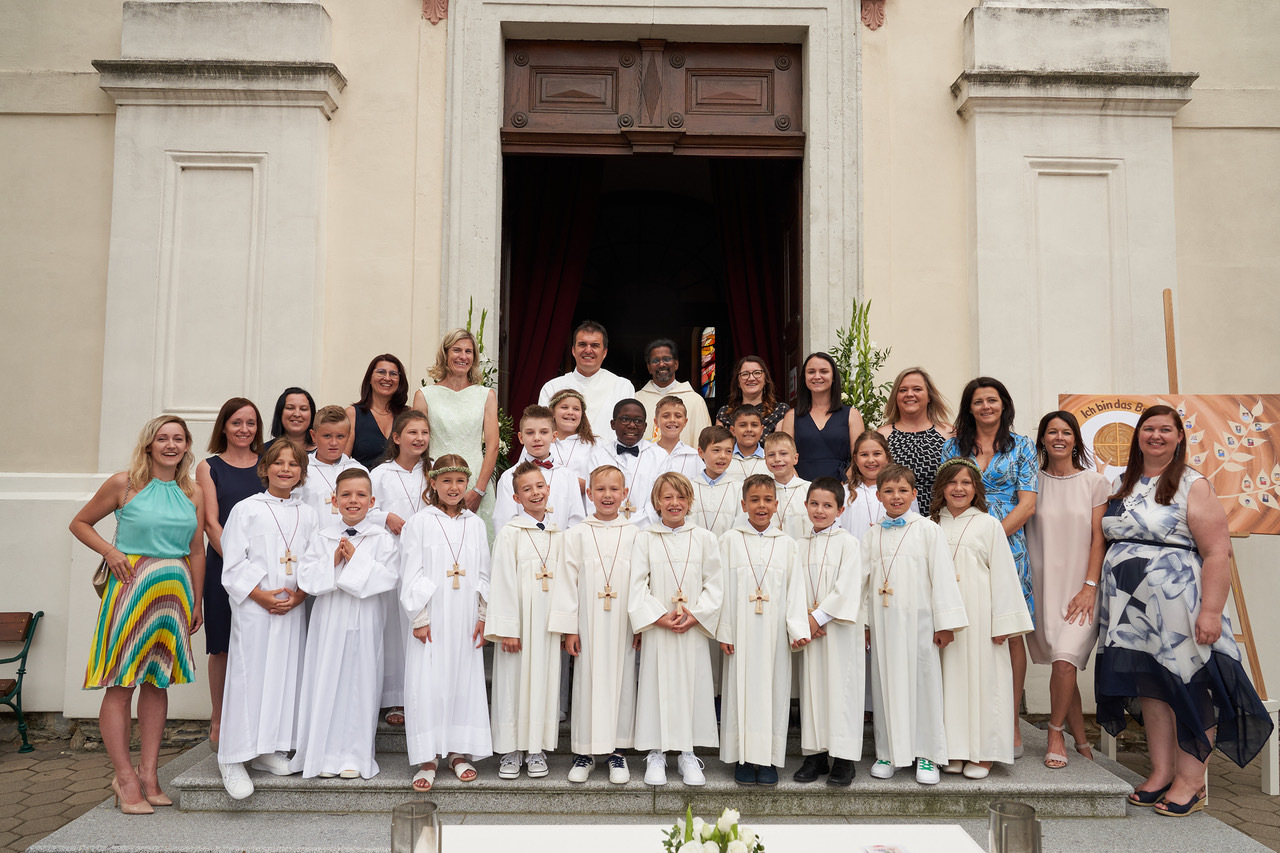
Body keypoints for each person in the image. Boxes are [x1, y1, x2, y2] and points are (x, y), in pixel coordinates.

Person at [1095, 405, 1273, 816]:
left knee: (1189, 683)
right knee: (1151, 687)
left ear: (1179, 437)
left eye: (1165, 429)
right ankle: (1162, 772)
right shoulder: (1121, 483)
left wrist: (1210, 611)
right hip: (1129, 610)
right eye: (1148, 429)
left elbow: (1217, 552)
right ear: (1138, 436)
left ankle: (1192, 781)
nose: (1155, 436)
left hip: (1178, 604)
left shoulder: (1194, 485)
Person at [72, 415, 206, 814]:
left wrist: (197, 600)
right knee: (121, 683)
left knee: (156, 682)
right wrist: (110, 551)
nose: (170, 445)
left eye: (178, 438)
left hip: (174, 591)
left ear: (186, 445)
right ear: (149, 445)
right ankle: (124, 777)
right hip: (130, 589)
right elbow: (80, 523)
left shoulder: (192, 491)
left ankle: (149, 774)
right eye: (162, 438)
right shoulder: (125, 483)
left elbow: (196, 549)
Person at [216, 439, 321, 799]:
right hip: (255, 608)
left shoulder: (308, 513)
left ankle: (267, 749)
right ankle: (231, 758)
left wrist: (301, 594)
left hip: (292, 606)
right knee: (249, 677)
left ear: (302, 473)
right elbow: (233, 563)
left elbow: (313, 559)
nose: (285, 469)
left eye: (293, 464)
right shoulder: (246, 509)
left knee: (283, 676)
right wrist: (260, 595)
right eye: (278, 463)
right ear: (265, 468)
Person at [941, 376, 1038, 757]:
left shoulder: (1022, 446)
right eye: (978, 401)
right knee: (965, 625)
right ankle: (965, 722)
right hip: (960, 543)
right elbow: (949, 492)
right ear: (969, 408)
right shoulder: (954, 446)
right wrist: (970, 536)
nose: (986, 406)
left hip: (1008, 545)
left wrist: (990, 536)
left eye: (992, 400)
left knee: (1008, 629)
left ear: (1004, 405)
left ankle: (1009, 722)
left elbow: (1028, 503)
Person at [861, 465, 967, 785]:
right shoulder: (871, 535)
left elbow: (943, 576)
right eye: (889, 491)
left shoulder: (927, 530)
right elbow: (862, 584)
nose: (896, 497)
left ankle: (927, 755)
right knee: (885, 685)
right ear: (878, 496)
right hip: (883, 623)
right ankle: (888, 752)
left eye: (902, 491)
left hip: (921, 623)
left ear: (914, 494)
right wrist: (865, 624)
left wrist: (945, 623)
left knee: (923, 685)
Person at [290, 469, 398, 780]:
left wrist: (357, 560)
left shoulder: (381, 538)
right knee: (326, 682)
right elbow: (306, 577)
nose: (353, 500)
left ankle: (355, 756)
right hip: (329, 619)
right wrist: (333, 562)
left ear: (372, 501)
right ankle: (323, 755)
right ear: (335, 500)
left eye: (361, 495)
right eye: (346, 495)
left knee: (360, 684)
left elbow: (389, 577)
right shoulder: (323, 536)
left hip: (366, 618)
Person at [932, 458, 1033, 778]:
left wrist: (1003, 623)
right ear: (941, 488)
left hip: (980, 618)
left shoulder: (988, 524)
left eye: (966, 482)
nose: (958, 489)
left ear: (976, 488)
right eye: (952, 482)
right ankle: (955, 749)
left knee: (984, 683)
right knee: (949, 684)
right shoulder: (930, 525)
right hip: (943, 620)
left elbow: (1004, 575)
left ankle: (985, 753)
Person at [400, 455, 492, 791]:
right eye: (446, 481)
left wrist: (483, 615)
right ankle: (428, 757)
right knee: (428, 683)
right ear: (434, 483)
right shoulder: (419, 523)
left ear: (467, 483)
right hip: (433, 615)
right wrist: (419, 616)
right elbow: (410, 571)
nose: (454, 488)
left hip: (465, 615)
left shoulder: (475, 524)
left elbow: (484, 572)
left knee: (462, 681)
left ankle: (457, 751)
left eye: (460, 481)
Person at [1025, 411, 1108, 770]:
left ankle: (1055, 732)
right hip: (1042, 589)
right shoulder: (1030, 481)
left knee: (1064, 659)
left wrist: (1090, 586)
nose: (1059, 437)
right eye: (1051, 432)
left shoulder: (1094, 482)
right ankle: (1083, 742)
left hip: (1081, 588)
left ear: (1075, 439)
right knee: (1065, 667)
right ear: (1042, 439)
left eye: (1066, 432)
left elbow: (1099, 539)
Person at [629, 472, 723, 787]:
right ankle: (656, 753)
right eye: (667, 497)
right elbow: (637, 584)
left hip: (691, 627)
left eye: (681, 497)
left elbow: (715, 584)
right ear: (656, 502)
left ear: (690, 501)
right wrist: (658, 617)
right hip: (659, 627)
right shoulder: (645, 538)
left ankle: (687, 754)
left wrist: (696, 615)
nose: (674, 503)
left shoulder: (705, 538)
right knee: (655, 686)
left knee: (692, 686)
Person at [549, 465, 640, 784]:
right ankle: (584, 753)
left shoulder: (636, 534)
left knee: (623, 682)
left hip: (623, 623)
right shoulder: (576, 534)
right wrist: (569, 628)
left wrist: (640, 624)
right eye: (600, 489)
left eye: (614, 489)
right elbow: (566, 581)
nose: (607, 495)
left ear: (625, 494)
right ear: (588, 493)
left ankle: (618, 752)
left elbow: (642, 581)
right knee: (586, 682)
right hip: (587, 623)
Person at [787, 477, 869, 786]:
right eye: (814, 504)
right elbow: (791, 587)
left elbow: (849, 586)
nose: (820, 511)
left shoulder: (849, 543)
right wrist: (804, 620)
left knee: (841, 691)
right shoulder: (797, 545)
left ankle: (844, 760)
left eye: (827, 505)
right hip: (810, 631)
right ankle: (816, 755)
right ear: (805, 505)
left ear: (840, 509)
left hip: (838, 629)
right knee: (813, 691)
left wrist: (818, 617)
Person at [486, 461, 566, 780]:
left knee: (544, 682)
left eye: (540, 486)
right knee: (512, 683)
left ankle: (536, 749)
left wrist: (563, 623)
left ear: (548, 488)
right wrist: (508, 628)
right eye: (527, 489)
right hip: (517, 625)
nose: (535, 493)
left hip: (546, 624)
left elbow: (567, 582)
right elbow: (502, 581)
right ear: (516, 498)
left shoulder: (560, 534)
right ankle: (510, 750)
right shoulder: (510, 533)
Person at [193, 398, 264, 751]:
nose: (244, 429)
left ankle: (256, 719)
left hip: (266, 568)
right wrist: (239, 563)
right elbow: (210, 522)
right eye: (237, 422)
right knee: (221, 644)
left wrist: (258, 565)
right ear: (224, 426)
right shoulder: (209, 467)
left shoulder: (268, 463)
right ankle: (219, 718)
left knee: (259, 641)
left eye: (250, 423)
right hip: (224, 565)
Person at [717, 474, 796, 787]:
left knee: (774, 691)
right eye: (754, 500)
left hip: (775, 634)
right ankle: (743, 757)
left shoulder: (787, 544)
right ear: (743, 504)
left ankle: (768, 759)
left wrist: (795, 629)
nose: (761, 506)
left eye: (767, 500)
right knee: (740, 691)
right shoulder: (729, 541)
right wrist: (724, 630)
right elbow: (721, 588)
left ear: (776, 505)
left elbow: (795, 590)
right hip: (740, 632)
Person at [412, 329, 500, 541]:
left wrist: (478, 490)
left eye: (468, 351)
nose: (463, 356)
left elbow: (493, 446)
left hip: (476, 481)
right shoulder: (425, 395)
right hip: (435, 480)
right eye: (457, 350)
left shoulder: (485, 395)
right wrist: (432, 483)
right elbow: (418, 446)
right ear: (445, 354)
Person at [494, 405, 586, 533]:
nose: (537, 438)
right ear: (521, 437)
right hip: (523, 543)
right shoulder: (509, 477)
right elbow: (504, 523)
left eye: (543, 432)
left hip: (562, 544)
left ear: (554, 436)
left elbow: (576, 523)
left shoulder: (568, 476)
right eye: (530, 433)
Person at [538, 320, 635, 436]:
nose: (588, 350)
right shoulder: (553, 387)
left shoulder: (622, 386)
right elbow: (543, 430)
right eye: (582, 344)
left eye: (595, 345)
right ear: (573, 350)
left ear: (604, 352)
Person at [781, 352, 866, 483]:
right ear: (804, 377)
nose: (817, 376)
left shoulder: (852, 415)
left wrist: (842, 487)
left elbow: (859, 457)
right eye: (811, 372)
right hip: (800, 488)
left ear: (833, 377)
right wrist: (801, 487)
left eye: (824, 371)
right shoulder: (791, 416)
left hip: (841, 487)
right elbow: (785, 457)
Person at [877, 367, 953, 504]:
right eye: (903, 390)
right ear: (896, 397)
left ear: (929, 396)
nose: (909, 394)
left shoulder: (948, 433)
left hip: (938, 512)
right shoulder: (883, 435)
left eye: (917, 389)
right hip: (897, 511)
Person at [588, 398, 663, 523]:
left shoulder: (660, 457)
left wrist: (631, 526)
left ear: (645, 426)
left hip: (647, 528)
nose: (632, 425)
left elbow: (660, 499)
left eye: (638, 421)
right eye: (625, 419)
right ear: (613, 424)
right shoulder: (598, 456)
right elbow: (592, 499)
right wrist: (611, 524)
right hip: (605, 527)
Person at [634, 338, 712, 445]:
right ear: (649, 368)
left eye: (666, 359)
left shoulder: (695, 401)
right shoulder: (637, 400)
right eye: (655, 360)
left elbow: (704, 443)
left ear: (676, 364)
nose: (661, 364)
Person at [839, 431, 916, 539]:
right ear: (855, 459)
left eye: (877, 454)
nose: (871, 460)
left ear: (887, 457)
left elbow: (914, 526)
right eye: (864, 455)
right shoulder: (843, 493)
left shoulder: (903, 492)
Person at [345, 354, 410, 469]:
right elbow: (342, 461)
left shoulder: (408, 415)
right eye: (381, 372)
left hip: (401, 480)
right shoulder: (352, 414)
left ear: (400, 381)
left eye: (393, 374)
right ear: (370, 378)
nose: (387, 378)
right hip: (364, 480)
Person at [715, 356, 789, 437]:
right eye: (745, 374)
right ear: (738, 382)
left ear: (765, 379)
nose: (751, 378)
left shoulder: (780, 410)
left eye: (757, 373)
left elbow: (780, 444)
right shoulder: (724, 413)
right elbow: (719, 444)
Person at [688, 426, 739, 538]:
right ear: (701, 452)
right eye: (716, 450)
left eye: (728, 451)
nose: (723, 456)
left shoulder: (739, 489)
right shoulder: (689, 489)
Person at [547, 388, 598, 500]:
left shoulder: (594, 445)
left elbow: (604, 480)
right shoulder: (540, 441)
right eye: (564, 407)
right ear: (553, 412)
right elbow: (523, 475)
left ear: (582, 415)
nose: (570, 412)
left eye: (576, 409)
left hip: (582, 505)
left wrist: (586, 485)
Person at [764, 431, 809, 539]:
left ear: (795, 458)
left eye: (783, 453)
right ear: (765, 460)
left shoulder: (809, 490)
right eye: (771, 455)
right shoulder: (764, 492)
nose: (777, 459)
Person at [654, 396, 702, 479]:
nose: (672, 420)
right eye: (666, 416)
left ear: (685, 422)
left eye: (678, 416)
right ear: (656, 422)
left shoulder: (695, 457)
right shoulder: (647, 454)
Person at [264, 387, 317, 453]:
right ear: (280, 412)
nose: (297, 414)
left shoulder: (323, 453)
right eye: (290, 408)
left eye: (303, 409)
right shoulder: (264, 452)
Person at [726, 405, 768, 482]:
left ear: (762, 430)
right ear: (733, 430)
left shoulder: (770, 459)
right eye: (743, 425)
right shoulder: (724, 459)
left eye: (754, 425)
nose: (749, 429)